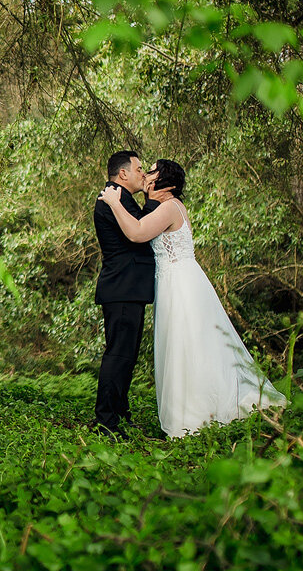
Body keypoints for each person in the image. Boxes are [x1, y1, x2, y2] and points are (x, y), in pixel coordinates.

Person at [98, 159, 287, 438]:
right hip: (172, 283)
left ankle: (197, 412)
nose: (146, 175)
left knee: (187, 345)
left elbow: (137, 233)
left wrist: (115, 203)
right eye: (143, 169)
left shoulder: (170, 207)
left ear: (164, 181)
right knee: (183, 346)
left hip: (181, 285)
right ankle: (182, 410)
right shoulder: (164, 207)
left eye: (151, 170)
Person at [92, 150, 165, 438]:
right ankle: (106, 422)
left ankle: (119, 414)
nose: (143, 175)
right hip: (121, 288)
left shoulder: (122, 198)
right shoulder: (115, 198)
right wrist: (152, 198)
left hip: (128, 288)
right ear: (123, 173)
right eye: (139, 169)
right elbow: (141, 230)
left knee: (127, 356)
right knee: (118, 356)